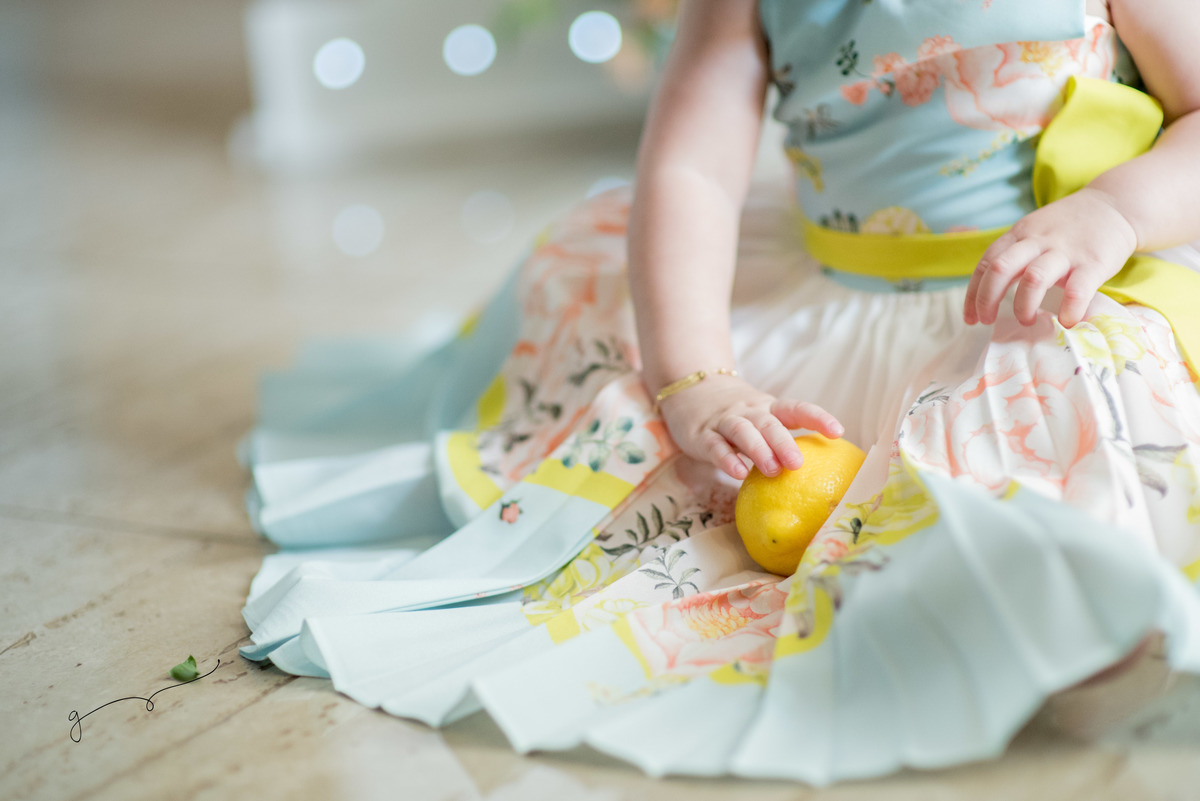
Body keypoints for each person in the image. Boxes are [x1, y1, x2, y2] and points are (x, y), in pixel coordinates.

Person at [239, 0, 1200, 785]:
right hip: (841, 295)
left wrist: (1113, 211)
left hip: (1049, 288)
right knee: (649, 388)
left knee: (1072, 418)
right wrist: (696, 375)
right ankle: (981, 593)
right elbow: (691, 171)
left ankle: (1073, 580)